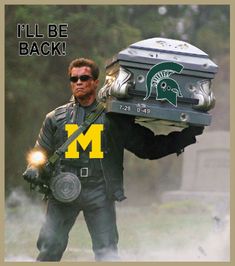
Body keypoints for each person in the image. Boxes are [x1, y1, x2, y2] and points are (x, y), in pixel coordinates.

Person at [23, 57, 203, 261]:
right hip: (63, 189)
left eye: (84, 77)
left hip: (100, 191)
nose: (79, 82)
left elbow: (148, 147)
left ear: (95, 82)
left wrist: (187, 136)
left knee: (106, 253)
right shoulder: (55, 118)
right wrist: (33, 167)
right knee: (49, 248)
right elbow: (41, 151)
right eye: (74, 79)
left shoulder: (114, 118)